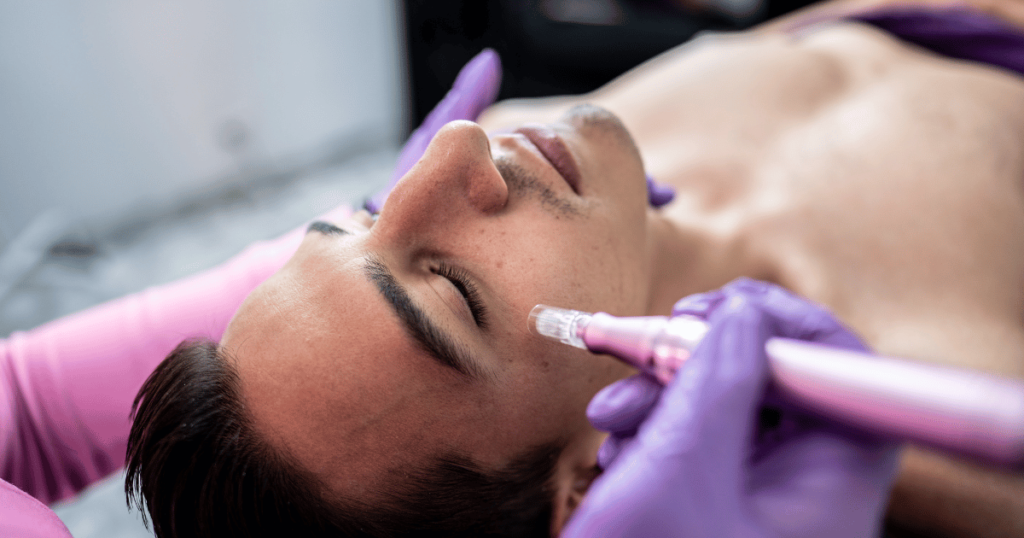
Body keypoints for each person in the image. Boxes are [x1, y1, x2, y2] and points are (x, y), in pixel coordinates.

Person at [3, 0, 1024, 536]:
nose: (451, 155)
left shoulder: (568, 159)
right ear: (585, 494)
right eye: (449, 286)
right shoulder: (935, 410)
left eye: (356, 221)